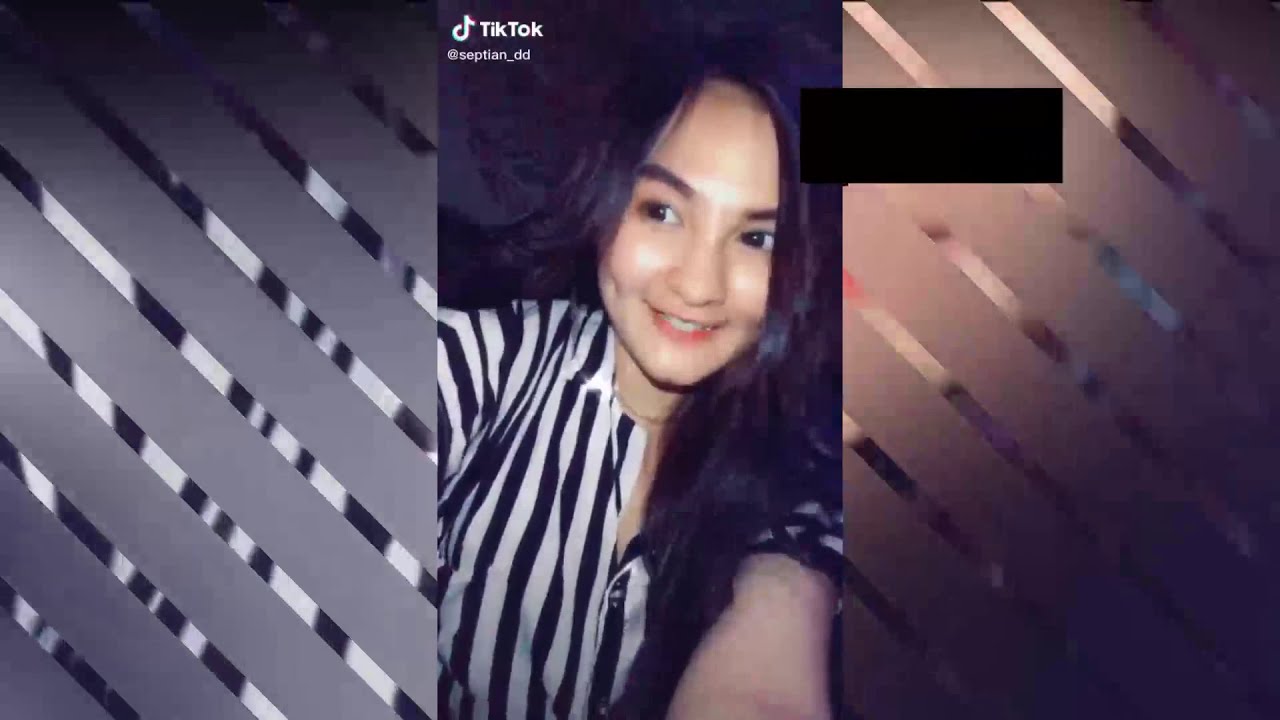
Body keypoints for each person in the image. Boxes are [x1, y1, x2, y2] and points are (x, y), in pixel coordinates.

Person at [437, 24, 844, 720]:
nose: (697, 284)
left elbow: (779, 623)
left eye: (757, 237)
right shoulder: (480, 365)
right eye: (662, 210)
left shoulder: (800, 473)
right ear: (604, 204)